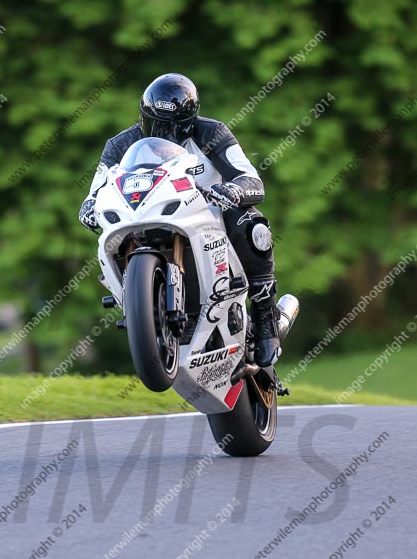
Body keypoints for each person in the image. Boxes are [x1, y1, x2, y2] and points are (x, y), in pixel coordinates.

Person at [78, 73, 280, 367]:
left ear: (190, 121)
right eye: (155, 123)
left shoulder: (213, 133)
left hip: (205, 215)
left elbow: (251, 179)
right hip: (144, 215)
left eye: (171, 127)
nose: (161, 132)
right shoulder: (120, 144)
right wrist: (88, 206)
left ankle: (265, 318)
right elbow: (95, 191)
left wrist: (234, 189)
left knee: (253, 224)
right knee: (107, 237)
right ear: (143, 115)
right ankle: (140, 307)